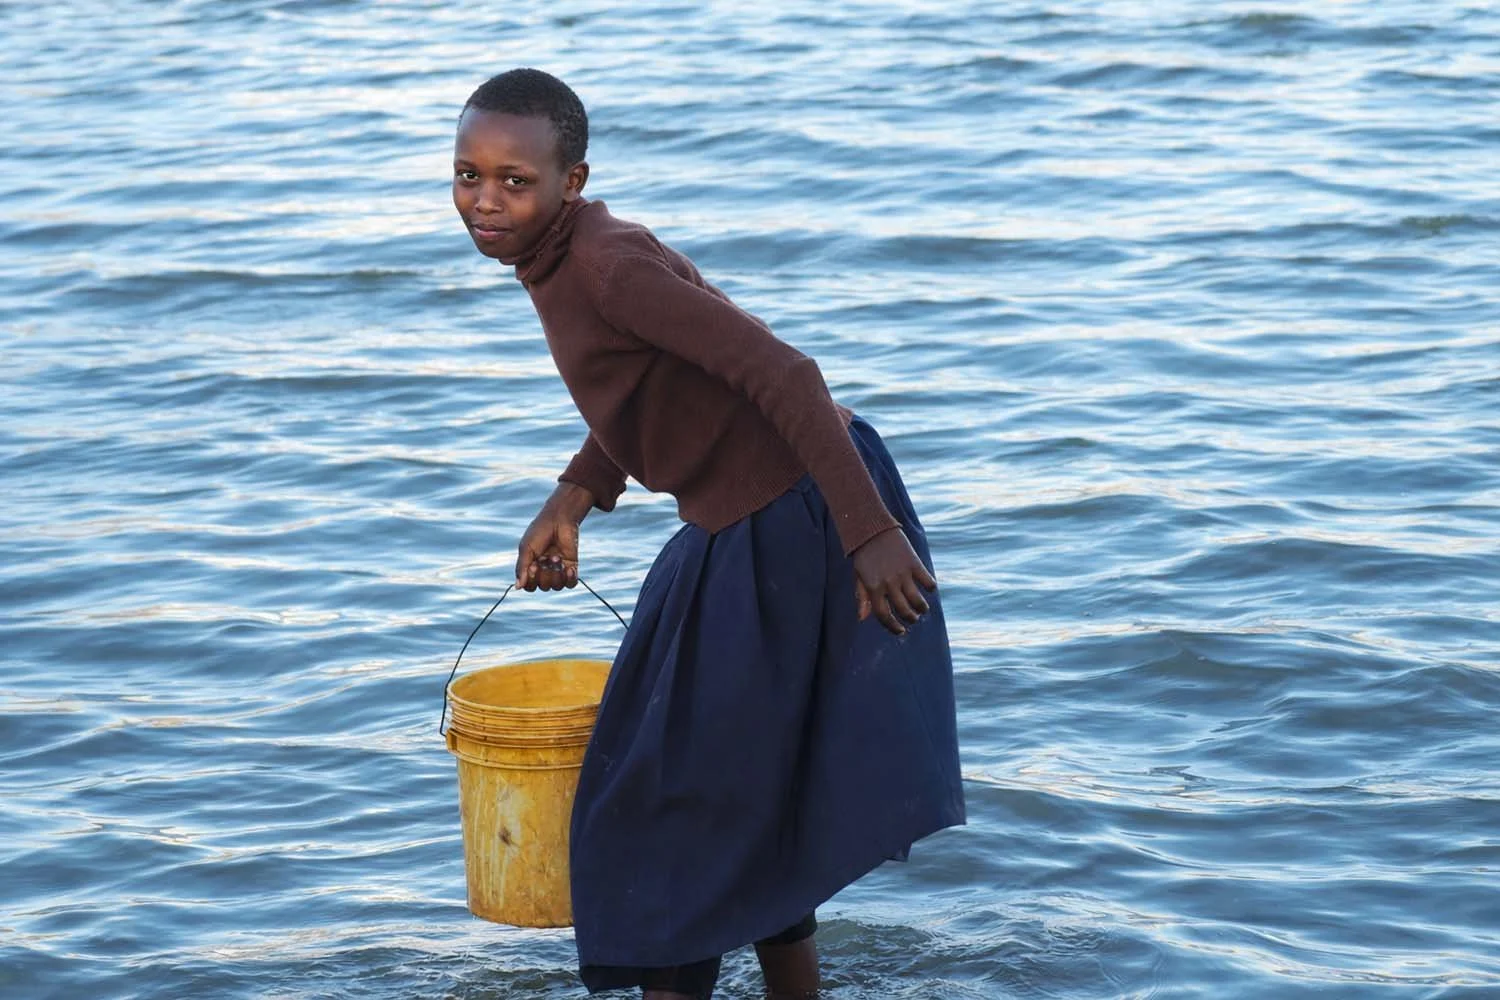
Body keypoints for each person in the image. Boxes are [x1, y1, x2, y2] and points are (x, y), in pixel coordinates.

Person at [452, 67, 966, 1000]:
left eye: (515, 181)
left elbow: (785, 374)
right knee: (736, 788)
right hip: (750, 516)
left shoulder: (608, 268)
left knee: (666, 808)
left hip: (805, 511)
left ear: (572, 182)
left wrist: (870, 533)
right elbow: (648, 387)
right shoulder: (566, 259)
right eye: (468, 175)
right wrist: (575, 494)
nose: (486, 202)